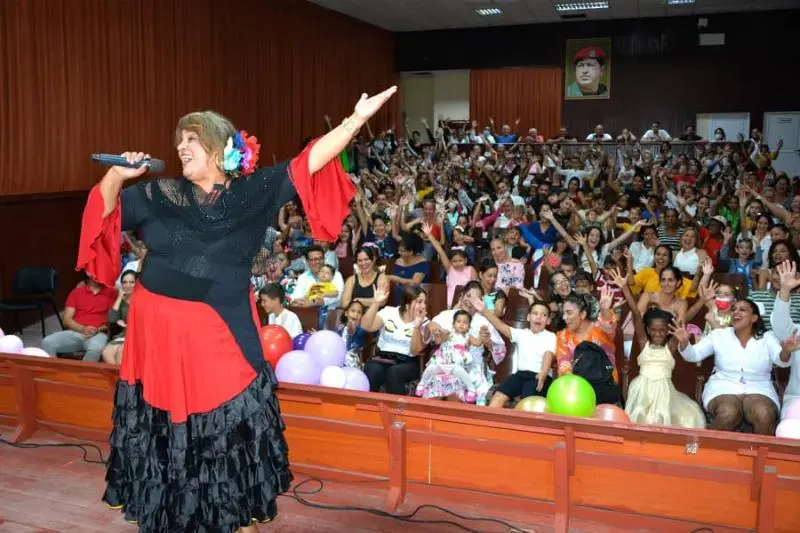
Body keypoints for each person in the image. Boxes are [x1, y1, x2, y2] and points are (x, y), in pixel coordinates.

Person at [77, 87, 397, 532]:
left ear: (219, 147)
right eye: (179, 140)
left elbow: (310, 162)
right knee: (167, 439)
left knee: (226, 437)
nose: (180, 147)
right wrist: (115, 176)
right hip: (158, 343)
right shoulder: (157, 193)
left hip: (217, 336)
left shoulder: (251, 194)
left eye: (191, 139)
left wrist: (354, 120)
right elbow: (105, 220)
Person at [673, 299, 793, 435]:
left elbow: (782, 360)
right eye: (734, 309)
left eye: (742, 309)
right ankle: (704, 448)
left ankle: (759, 454)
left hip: (759, 387)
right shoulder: (719, 335)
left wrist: (787, 350)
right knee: (728, 412)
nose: (736, 312)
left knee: (763, 414)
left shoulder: (767, 337)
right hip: (723, 386)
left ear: (754, 318)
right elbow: (693, 355)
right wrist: (684, 343)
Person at [41, 272, 116, 361]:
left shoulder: (112, 293)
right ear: (88, 273)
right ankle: (54, 372)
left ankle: (84, 374)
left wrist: (97, 330)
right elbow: (66, 319)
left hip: (98, 333)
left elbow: (113, 320)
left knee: (95, 349)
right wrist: (83, 329)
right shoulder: (76, 292)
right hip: (75, 332)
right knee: (47, 342)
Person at [101, 269, 138, 364]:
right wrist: (119, 297)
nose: (127, 285)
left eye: (131, 282)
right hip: (123, 336)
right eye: (124, 282)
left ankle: (123, 378)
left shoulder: (142, 300)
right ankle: (119, 378)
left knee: (120, 353)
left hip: (137, 336)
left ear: (137, 283)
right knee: (106, 353)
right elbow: (112, 319)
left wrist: (127, 325)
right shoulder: (121, 300)